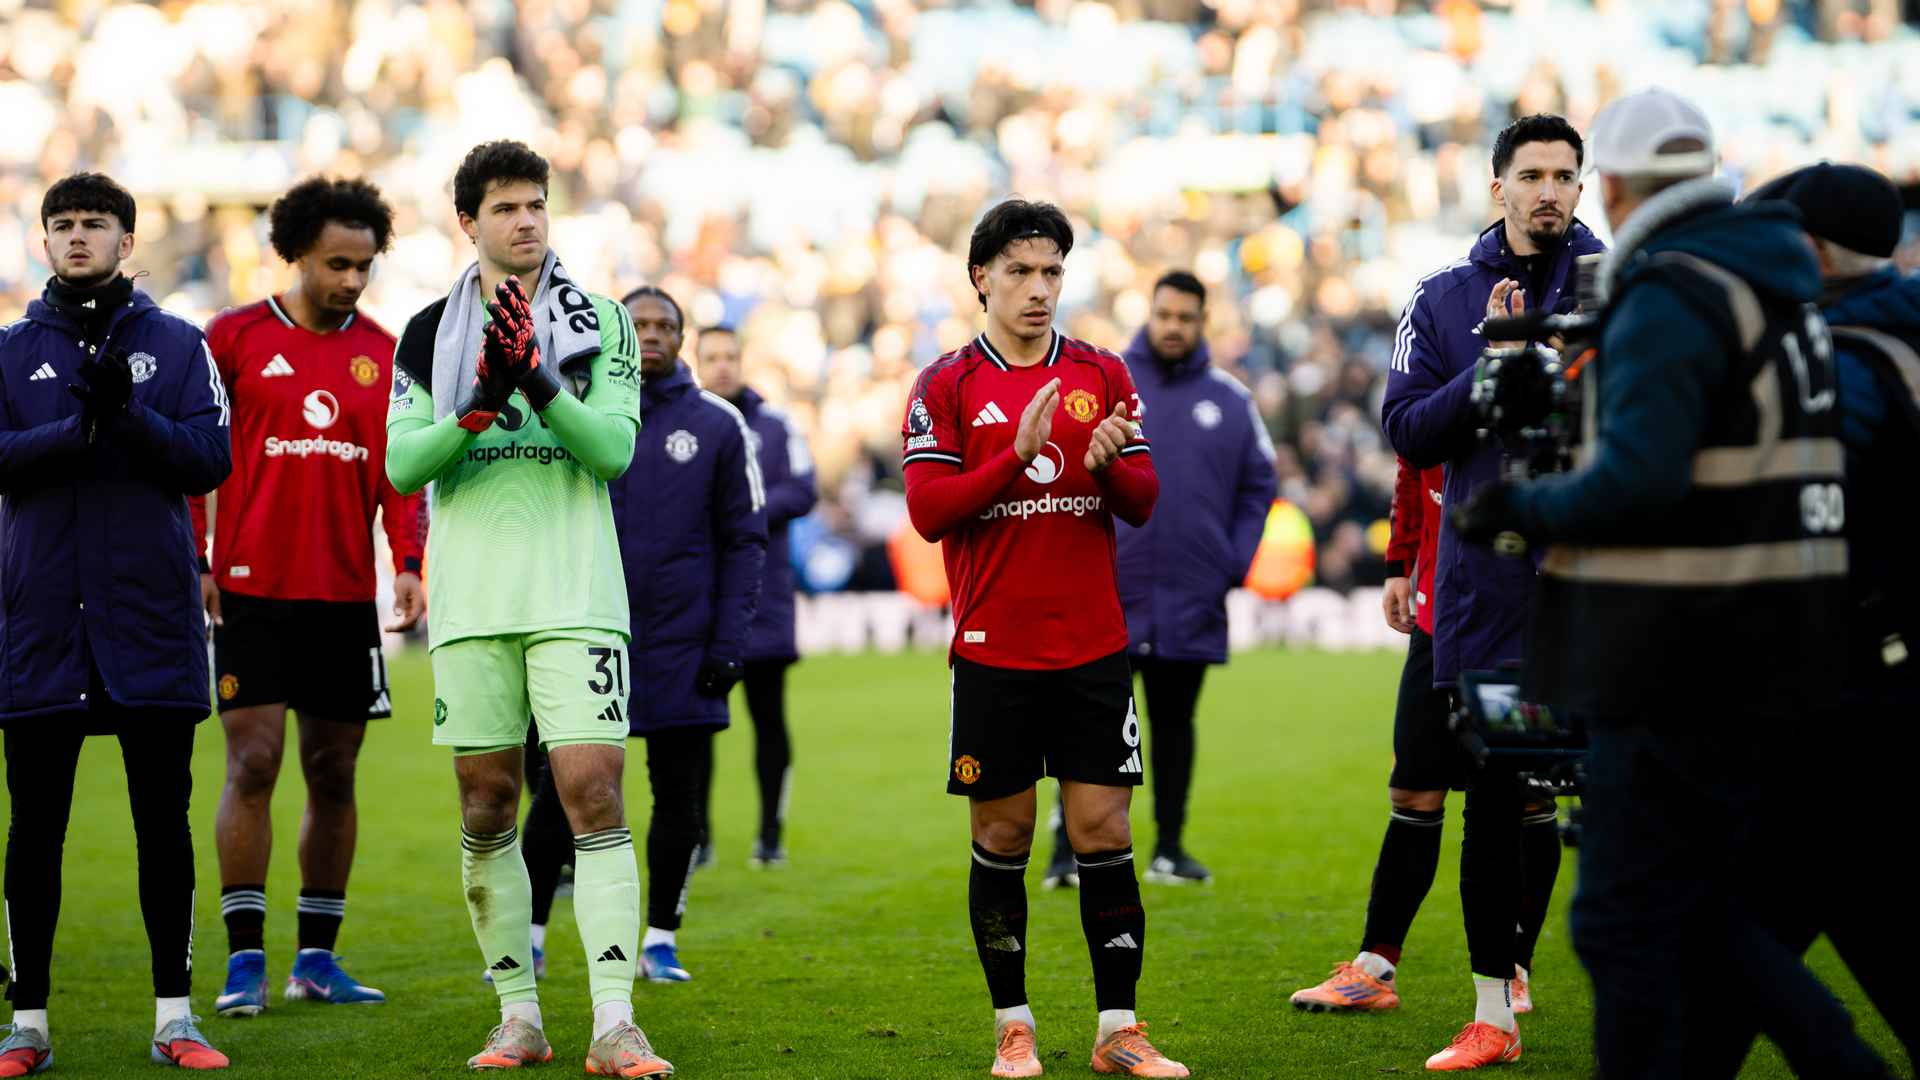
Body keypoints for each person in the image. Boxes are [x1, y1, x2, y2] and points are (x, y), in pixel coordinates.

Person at [1454, 89, 1887, 1079]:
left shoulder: (1673, 290)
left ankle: (1842, 1064)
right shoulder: (1776, 287)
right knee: (1697, 908)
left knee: (1625, 920)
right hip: (1779, 642)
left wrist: (1524, 507)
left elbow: (1640, 481)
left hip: (1682, 649)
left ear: (1612, 180)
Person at [384, 140, 668, 1076]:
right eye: (505, 207)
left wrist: (540, 378)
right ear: (468, 222)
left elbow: (612, 454)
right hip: (472, 602)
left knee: (593, 792)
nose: (527, 221)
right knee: (487, 803)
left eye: (537, 204)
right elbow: (403, 466)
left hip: (576, 592)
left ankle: (616, 1020)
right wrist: (478, 403)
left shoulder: (606, 325)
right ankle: (519, 1014)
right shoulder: (426, 334)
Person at [901, 197, 1186, 1079]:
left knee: (1102, 831)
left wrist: (1107, 462)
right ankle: (1013, 1027)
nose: (1038, 289)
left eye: (1052, 272)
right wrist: (1013, 460)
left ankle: (1119, 1029)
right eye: (1020, 272)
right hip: (994, 651)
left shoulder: (1101, 372)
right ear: (981, 278)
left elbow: (1142, 500)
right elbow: (927, 514)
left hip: (1094, 645)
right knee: (1007, 835)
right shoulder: (946, 385)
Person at [1362, 114, 1604, 1069]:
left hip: (1588, 591)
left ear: (1583, 187)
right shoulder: (1442, 296)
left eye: (1566, 175)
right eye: (1532, 174)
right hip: (1485, 593)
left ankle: (1538, 989)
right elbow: (1407, 431)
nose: (1550, 190)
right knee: (1495, 797)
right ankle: (1491, 1015)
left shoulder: (1618, 294)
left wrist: (1555, 375)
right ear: (1496, 184)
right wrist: (1490, 376)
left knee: (1571, 799)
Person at [1683, 162, 1917, 1070]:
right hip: (1875, 704)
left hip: (1833, 711)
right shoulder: (1887, 334)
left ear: (1809, 253)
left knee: (1703, 936)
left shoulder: (1829, 368)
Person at [0, 172, 232, 1072]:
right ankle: (29, 1027)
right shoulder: (12, 350)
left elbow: (209, 457)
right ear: (44, 241)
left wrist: (127, 411)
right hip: (44, 625)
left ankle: (175, 1017)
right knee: (35, 829)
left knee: (160, 822)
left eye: (95, 223)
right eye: (62, 225)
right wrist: (80, 430)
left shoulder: (177, 345)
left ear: (127, 240)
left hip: (149, 622)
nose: (78, 237)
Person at [190, 176, 425, 1018]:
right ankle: (245, 960)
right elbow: (195, 456)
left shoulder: (387, 353)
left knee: (334, 770)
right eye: (337, 264)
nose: (352, 282)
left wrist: (407, 558)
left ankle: (316, 959)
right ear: (294, 253)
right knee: (253, 763)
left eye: (364, 267)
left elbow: (404, 471)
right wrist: (201, 556)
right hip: (252, 591)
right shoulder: (233, 338)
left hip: (340, 596)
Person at [519, 287, 768, 987]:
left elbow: (746, 541)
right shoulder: (571, 412)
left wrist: (729, 641)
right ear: (613, 335)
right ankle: (532, 934)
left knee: (677, 797)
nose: (652, 334)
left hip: (684, 641)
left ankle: (660, 937)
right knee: (557, 794)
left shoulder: (718, 425)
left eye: (666, 324)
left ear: (682, 339)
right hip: (585, 637)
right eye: (638, 323)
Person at [1038, 270, 1276, 888]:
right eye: (1164, 315)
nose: (1173, 327)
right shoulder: (1106, 384)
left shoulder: (1230, 401)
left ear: (1203, 322)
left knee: (1174, 726)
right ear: (1150, 313)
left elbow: (1260, 484)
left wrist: (1233, 560)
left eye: (1186, 318)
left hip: (1192, 594)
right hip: (1108, 592)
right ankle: (1068, 853)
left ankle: (1170, 848)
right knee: (1087, 729)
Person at [1288, 452, 1453, 1018]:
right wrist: (1399, 563)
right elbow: (1412, 462)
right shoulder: (1429, 362)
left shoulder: (1548, 364)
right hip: (1440, 609)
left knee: (1515, 797)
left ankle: (1510, 980)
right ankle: (1376, 968)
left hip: (1523, 607)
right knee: (1413, 792)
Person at [694, 323, 817, 868]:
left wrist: (743, 513)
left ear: (742, 361)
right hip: (700, 600)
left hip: (764, 600)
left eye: (729, 356)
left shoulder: (775, 424)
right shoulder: (683, 422)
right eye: (711, 356)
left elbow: (804, 488)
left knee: (768, 719)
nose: (722, 365)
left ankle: (770, 834)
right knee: (696, 726)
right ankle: (697, 837)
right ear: (697, 362)